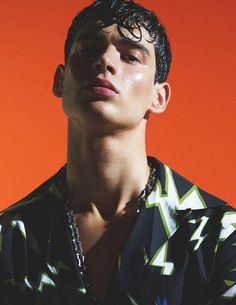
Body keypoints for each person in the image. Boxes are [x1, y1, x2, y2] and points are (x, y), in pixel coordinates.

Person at [0, 0, 236, 304]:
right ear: (60, 80)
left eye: (130, 56)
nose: (105, 61)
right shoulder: (10, 237)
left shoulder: (219, 237)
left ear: (158, 96)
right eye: (88, 49)